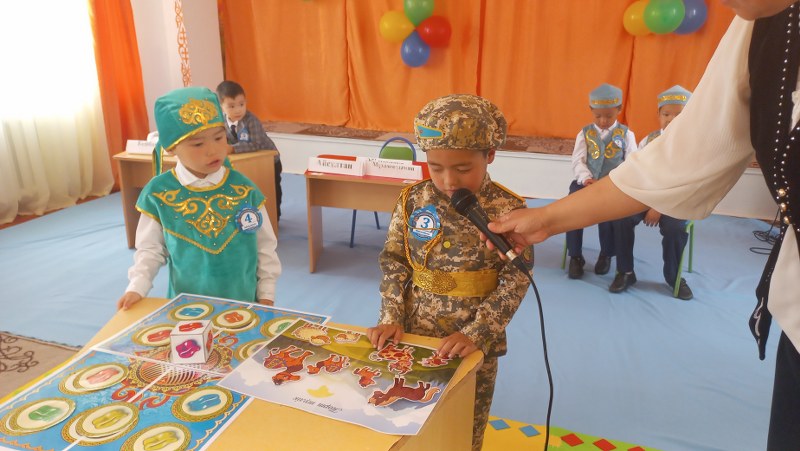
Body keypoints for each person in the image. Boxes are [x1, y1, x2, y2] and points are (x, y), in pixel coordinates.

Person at [485, 2, 800, 448]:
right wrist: (546, 218)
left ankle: (663, 274)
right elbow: (672, 165)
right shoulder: (760, 26)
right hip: (797, 319)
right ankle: (609, 263)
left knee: (671, 231)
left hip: (670, 212)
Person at [366, 94, 533, 451]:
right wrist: (391, 315)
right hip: (415, 334)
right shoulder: (413, 200)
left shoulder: (510, 209)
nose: (447, 180)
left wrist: (477, 332)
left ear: (490, 154)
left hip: (471, 343)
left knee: (464, 427)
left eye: (462, 169)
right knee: (408, 417)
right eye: (435, 167)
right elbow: (394, 260)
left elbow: (517, 278)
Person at [117, 86, 281, 311]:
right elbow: (150, 249)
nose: (213, 150)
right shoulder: (159, 194)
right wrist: (137, 286)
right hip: (187, 310)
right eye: (198, 144)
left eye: (219, 137)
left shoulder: (244, 190)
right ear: (172, 147)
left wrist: (266, 294)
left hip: (243, 306)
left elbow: (265, 247)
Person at [610, 85, 694, 299]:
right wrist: (649, 203)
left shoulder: (695, 146)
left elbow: (687, 184)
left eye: (679, 115)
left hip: (676, 202)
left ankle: (674, 277)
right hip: (646, 197)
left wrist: (658, 207)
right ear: (658, 115)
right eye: (666, 114)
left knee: (675, 228)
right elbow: (639, 174)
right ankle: (625, 271)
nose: (671, 119)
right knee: (621, 218)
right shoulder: (648, 142)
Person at [565, 83, 637, 280]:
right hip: (586, 182)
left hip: (613, 184)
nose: (603, 121)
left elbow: (632, 162)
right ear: (591, 110)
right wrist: (586, 178)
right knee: (571, 210)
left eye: (609, 116)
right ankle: (575, 256)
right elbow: (578, 160)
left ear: (619, 110)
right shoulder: (585, 133)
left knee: (609, 213)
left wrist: (615, 181)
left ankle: (606, 254)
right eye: (598, 116)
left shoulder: (626, 134)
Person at [216, 80, 283, 220]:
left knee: (272, 188)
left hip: (270, 161)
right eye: (231, 106)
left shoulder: (251, 120)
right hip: (246, 162)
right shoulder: (220, 122)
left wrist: (232, 149)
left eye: (241, 104)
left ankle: (274, 216)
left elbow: (255, 145)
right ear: (221, 106)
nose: (238, 110)